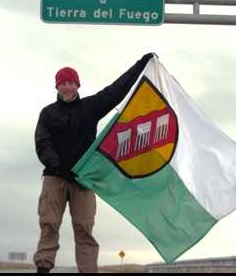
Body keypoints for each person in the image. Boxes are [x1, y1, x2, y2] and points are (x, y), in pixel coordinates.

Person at [33, 52, 156, 273]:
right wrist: (58, 165)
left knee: (84, 228)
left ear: (77, 86)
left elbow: (115, 91)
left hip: (84, 179)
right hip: (54, 177)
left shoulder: (90, 107)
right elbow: (42, 143)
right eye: (63, 84)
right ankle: (43, 268)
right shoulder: (48, 113)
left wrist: (140, 65)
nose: (67, 87)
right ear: (57, 88)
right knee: (49, 224)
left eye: (71, 83)